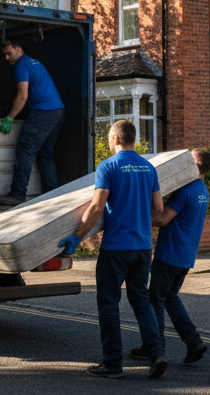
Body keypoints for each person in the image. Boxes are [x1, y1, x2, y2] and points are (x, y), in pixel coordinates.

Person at [71, 120, 166, 379]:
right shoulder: (149, 168)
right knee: (141, 301)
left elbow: (97, 206)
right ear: (133, 139)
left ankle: (112, 363)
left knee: (109, 303)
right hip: (143, 247)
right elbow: (158, 209)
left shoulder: (108, 166)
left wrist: (77, 236)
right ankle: (156, 353)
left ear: (114, 139)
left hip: (116, 247)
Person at [131, 148, 210, 366]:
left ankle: (155, 348)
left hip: (170, 254)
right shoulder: (203, 190)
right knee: (169, 296)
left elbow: (163, 219)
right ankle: (193, 341)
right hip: (186, 256)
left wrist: (139, 213)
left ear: (194, 166)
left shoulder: (185, 190)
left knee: (155, 298)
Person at [0, 40, 65, 207]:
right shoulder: (35, 62)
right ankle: (52, 195)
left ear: (19, 49)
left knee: (24, 150)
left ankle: (17, 194)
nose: (6, 57)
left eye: (9, 53)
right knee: (45, 153)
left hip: (43, 112)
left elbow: (22, 95)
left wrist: (10, 117)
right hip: (58, 111)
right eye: (4, 54)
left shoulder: (22, 64)